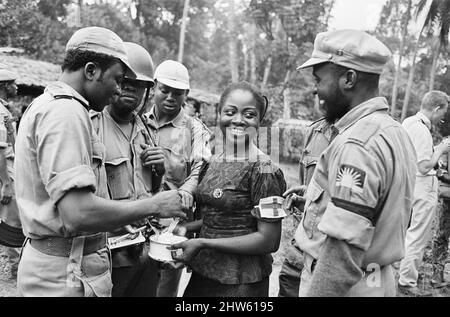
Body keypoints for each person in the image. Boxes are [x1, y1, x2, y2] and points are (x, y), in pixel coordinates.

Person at [14, 27, 185, 297]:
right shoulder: (66, 113)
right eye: (118, 79)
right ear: (91, 71)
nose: (119, 88)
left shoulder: (50, 105)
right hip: (65, 272)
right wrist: (155, 205)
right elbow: (78, 213)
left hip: (71, 264)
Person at [295, 29, 417, 297]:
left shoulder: (357, 143)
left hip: (346, 286)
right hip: (376, 278)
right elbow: (377, 208)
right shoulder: (393, 131)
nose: (315, 89)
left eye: (319, 79)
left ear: (348, 78)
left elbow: (341, 255)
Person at [171, 81, 287, 297]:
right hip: (203, 276)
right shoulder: (215, 160)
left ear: (259, 121)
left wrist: (203, 242)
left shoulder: (264, 169)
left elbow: (269, 240)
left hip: (240, 284)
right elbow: (223, 216)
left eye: (249, 114)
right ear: (219, 114)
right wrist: (187, 228)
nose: (238, 120)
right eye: (230, 112)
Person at [90, 42, 162, 297]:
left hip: (144, 249)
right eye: (126, 82)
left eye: (139, 85)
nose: (131, 90)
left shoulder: (148, 130)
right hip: (108, 253)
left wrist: (159, 170)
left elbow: (152, 190)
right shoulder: (92, 126)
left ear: (147, 91)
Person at [143, 60, 211, 297]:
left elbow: (200, 168)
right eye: (165, 90)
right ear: (154, 87)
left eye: (177, 93)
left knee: (165, 287)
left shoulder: (195, 129)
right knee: (134, 282)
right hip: (137, 217)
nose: (170, 97)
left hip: (172, 223)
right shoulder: (138, 122)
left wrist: (186, 192)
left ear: (186, 95)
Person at [278, 104, 338, 297]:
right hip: (300, 248)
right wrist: (307, 197)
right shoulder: (316, 130)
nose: (316, 90)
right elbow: (307, 180)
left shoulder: (368, 137)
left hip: (333, 256)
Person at [398, 91, 450, 295]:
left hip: (410, 184)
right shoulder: (420, 129)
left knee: (409, 232)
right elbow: (423, 166)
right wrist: (441, 149)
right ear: (436, 109)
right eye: (443, 112)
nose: (443, 117)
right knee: (418, 235)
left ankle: (404, 273)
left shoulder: (409, 123)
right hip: (422, 186)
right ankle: (407, 281)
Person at [0, 67, 24, 279]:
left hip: (9, 170)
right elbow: (0, 150)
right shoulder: (0, 112)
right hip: (5, 173)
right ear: (5, 86)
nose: (16, 87)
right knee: (11, 221)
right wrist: (6, 183)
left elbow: (11, 145)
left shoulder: (5, 111)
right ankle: (16, 268)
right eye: (13, 83)